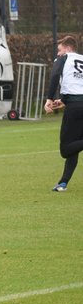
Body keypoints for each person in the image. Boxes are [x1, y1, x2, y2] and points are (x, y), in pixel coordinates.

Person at [44, 35, 83, 193]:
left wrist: (49, 98)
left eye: (59, 50)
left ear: (67, 49)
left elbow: (55, 75)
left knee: (66, 149)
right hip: (75, 103)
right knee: (74, 145)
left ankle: (63, 183)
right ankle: (63, 183)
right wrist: (64, 101)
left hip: (74, 109)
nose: (58, 53)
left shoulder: (63, 59)